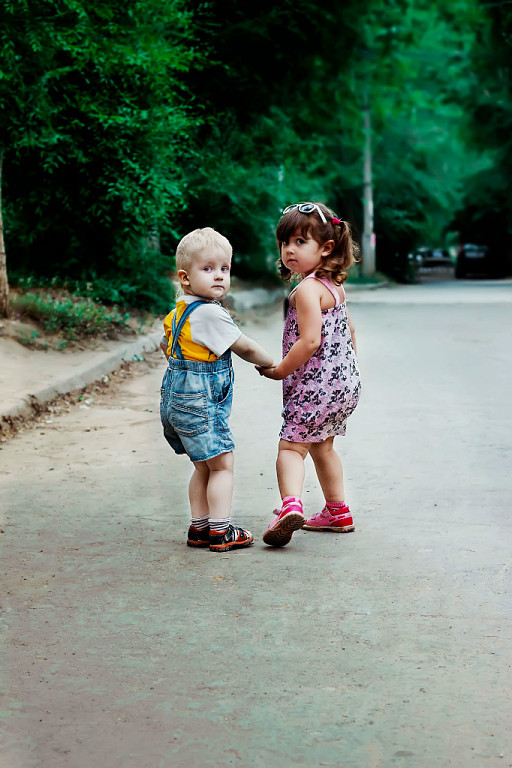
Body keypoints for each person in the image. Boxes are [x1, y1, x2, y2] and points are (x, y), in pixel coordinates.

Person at [160, 227, 274, 553]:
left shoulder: (177, 314)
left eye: (224, 268)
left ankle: (199, 528)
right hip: (200, 404)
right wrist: (272, 365)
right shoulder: (210, 313)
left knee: (202, 465)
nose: (219, 276)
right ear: (185, 278)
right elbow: (244, 347)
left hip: (175, 400)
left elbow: (166, 347)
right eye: (208, 268)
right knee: (222, 465)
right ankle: (221, 531)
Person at [256, 202, 361, 547]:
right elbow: (349, 330)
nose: (289, 250)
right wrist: (348, 372)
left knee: (291, 448)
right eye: (285, 242)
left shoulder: (306, 291)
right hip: (343, 385)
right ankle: (337, 511)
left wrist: (279, 370)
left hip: (315, 389)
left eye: (300, 242)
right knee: (323, 447)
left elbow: (311, 340)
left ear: (326, 247)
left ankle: (290, 506)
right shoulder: (334, 286)